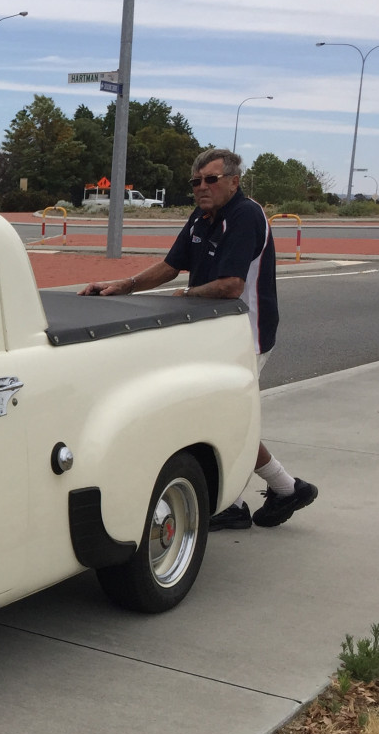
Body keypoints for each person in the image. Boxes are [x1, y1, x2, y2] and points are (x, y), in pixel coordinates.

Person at [78, 149, 317, 530]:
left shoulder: (245, 215)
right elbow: (171, 265)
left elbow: (231, 285)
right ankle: (273, 493)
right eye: (195, 181)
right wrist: (125, 285)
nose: (201, 187)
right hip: (212, 332)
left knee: (224, 417)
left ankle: (265, 494)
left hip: (246, 333)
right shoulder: (201, 217)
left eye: (211, 179)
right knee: (214, 414)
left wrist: (186, 295)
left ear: (234, 181)